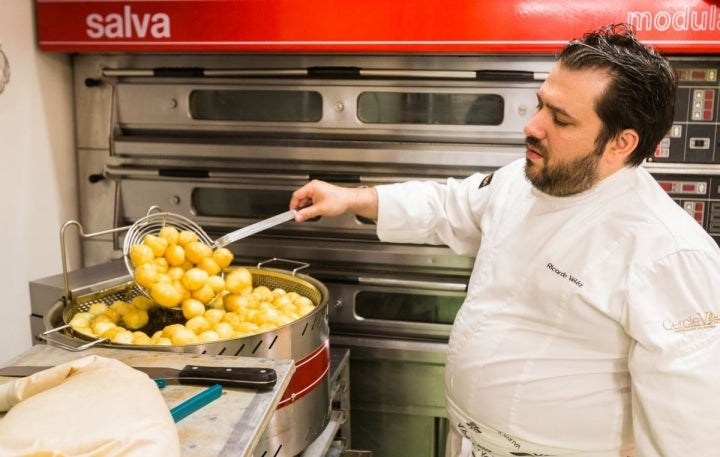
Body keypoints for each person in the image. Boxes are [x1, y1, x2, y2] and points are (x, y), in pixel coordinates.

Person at [289, 24, 720, 457]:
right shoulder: (524, 180)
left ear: (621, 143)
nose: (532, 127)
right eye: (540, 106)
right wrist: (353, 198)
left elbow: (688, 438)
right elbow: (449, 205)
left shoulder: (670, 257)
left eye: (561, 119)